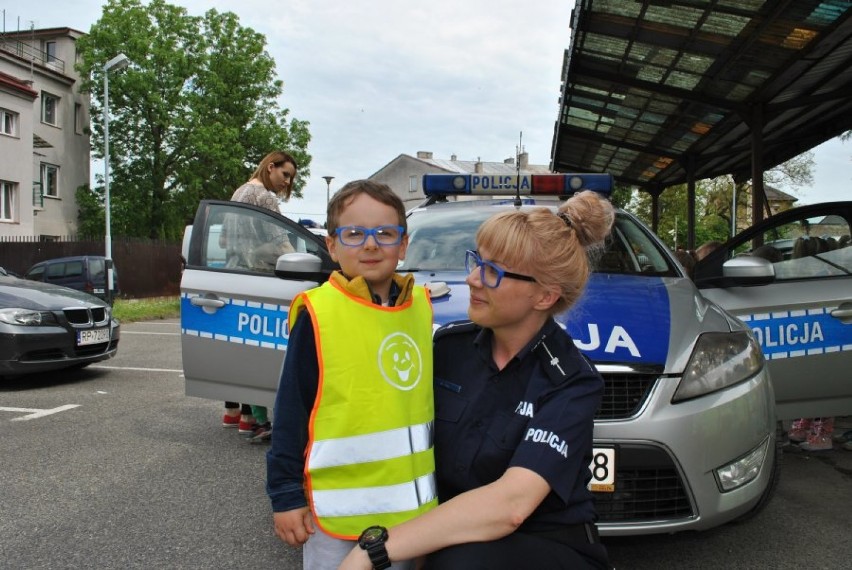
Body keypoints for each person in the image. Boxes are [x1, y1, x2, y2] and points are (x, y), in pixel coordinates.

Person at [340, 190, 614, 570]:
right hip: (450, 533)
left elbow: (511, 506)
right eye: (477, 261)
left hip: (545, 545)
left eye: (493, 271)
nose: (471, 279)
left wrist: (374, 550)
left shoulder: (571, 381)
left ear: (544, 296)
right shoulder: (448, 348)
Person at [266, 180, 436, 569]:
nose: (371, 244)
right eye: (355, 233)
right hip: (338, 517)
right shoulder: (318, 313)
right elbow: (292, 409)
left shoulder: (423, 309)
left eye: (385, 233)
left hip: (412, 512)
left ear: (404, 244)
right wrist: (285, 495)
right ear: (331, 245)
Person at [220, 150, 298, 442]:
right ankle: (258, 422)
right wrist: (307, 263)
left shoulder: (238, 192)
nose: (286, 182)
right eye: (284, 174)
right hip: (258, 277)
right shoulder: (264, 197)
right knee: (262, 350)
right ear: (270, 167)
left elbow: (224, 240)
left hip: (232, 275)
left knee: (242, 348)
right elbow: (281, 243)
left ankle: (238, 414)